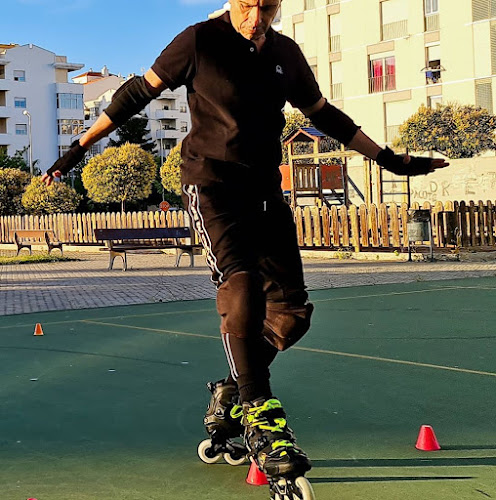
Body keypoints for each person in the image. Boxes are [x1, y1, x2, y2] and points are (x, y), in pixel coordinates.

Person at [43, 0, 449, 497]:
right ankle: (261, 415)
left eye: (269, 6)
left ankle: (230, 393)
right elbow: (134, 94)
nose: (257, 17)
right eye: (247, 5)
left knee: (292, 315)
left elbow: (324, 115)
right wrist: (79, 147)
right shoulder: (198, 41)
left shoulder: (286, 53)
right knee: (241, 284)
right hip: (211, 184)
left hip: (264, 190)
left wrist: (388, 159)